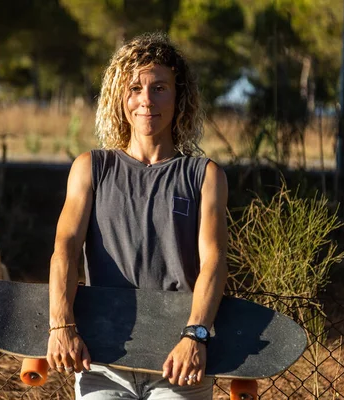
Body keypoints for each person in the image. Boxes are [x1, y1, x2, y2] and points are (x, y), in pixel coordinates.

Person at [46, 32, 228, 399]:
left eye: (159, 88)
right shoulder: (90, 168)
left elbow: (214, 261)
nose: (146, 100)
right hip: (102, 360)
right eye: (135, 88)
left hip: (179, 362)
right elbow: (64, 249)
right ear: (120, 97)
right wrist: (61, 325)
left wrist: (196, 335)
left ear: (179, 98)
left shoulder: (204, 175)